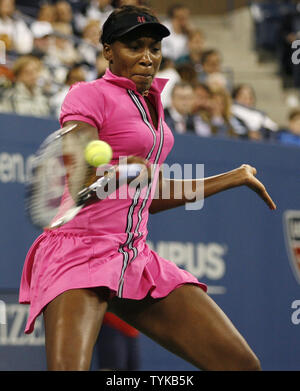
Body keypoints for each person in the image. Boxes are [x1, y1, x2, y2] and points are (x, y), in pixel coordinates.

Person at [19, 5, 276, 371]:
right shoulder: (87, 96)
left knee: (240, 365)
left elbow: (148, 196)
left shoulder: (153, 104)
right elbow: (80, 181)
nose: (147, 57)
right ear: (108, 50)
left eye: (154, 48)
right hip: (78, 252)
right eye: (134, 46)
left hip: (133, 255)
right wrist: (123, 170)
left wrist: (232, 178)